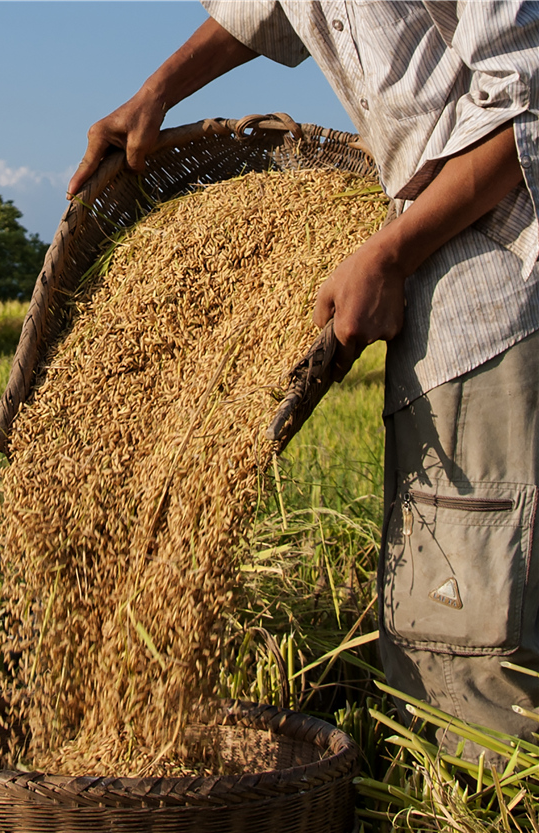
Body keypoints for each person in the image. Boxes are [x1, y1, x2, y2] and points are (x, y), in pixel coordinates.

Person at [67, 3, 539, 756]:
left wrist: (388, 252)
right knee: (432, 610)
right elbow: (271, 7)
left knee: (479, 633)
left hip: (508, 281)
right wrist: (157, 92)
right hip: (435, 281)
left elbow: (530, 101)